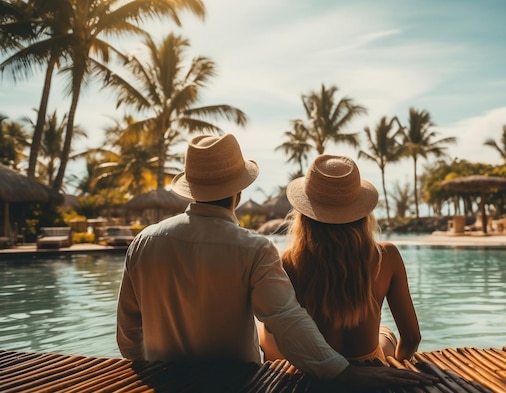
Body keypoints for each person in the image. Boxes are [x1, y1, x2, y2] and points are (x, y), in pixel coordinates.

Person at [116, 134, 433, 389]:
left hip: (164, 381)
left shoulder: (144, 243)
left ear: (190, 188)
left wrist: (154, 377)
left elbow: (129, 335)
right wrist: (347, 374)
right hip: (237, 383)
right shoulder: (253, 249)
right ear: (238, 191)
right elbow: (287, 321)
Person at [259, 154, 422, 364]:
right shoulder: (386, 257)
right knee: (386, 334)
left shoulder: (289, 263)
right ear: (362, 212)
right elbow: (411, 338)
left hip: (318, 371)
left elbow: (278, 331)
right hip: (369, 366)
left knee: (265, 331)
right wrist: (395, 369)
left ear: (305, 214)